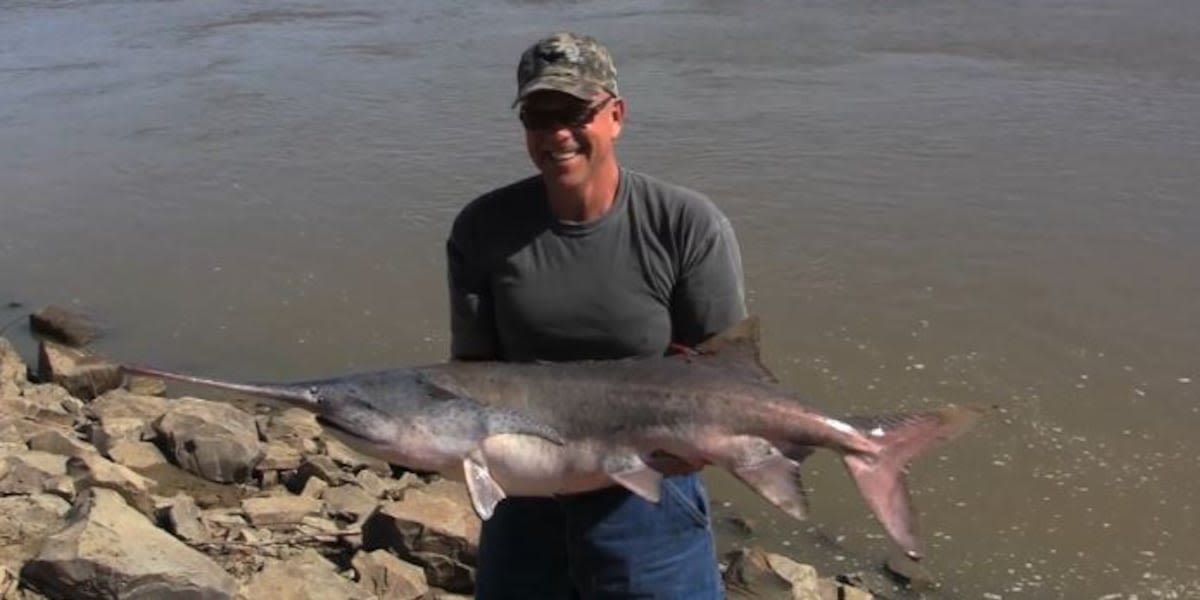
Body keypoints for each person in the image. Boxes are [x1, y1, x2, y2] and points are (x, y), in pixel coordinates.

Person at [446, 31, 747, 599]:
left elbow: (728, 373)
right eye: (539, 113)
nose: (557, 133)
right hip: (524, 501)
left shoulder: (686, 225)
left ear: (616, 115)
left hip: (650, 501)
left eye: (575, 111)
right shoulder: (481, 229)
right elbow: (471, 378)